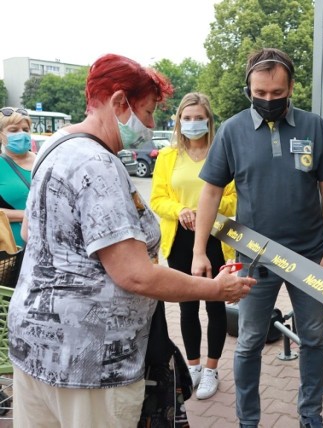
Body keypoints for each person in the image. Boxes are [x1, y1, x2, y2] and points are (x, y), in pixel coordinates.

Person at [7, 54, 256, 428]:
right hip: (89, 366)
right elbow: (136, 275)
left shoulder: (55, 148)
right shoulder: (98, 165)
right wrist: (216, 289)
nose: (152, 124)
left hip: (35, 349)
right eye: (149, 111)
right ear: (120, 102)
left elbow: (30, 232)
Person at [192, 47, 323, 428]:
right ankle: (248, 421)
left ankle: (311, 416)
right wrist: (199, 250)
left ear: (291, 86)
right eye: (259, 93)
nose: (268, 100)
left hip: (309, 255)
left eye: (277, 93)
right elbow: (210, 192)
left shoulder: (313, 126)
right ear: (249, 88)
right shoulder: (232, 130)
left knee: (312, 338)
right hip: (254, 257)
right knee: (248, 343)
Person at [151, 92, 237, 400]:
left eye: (198, 117)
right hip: (180, 239)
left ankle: (212, 369)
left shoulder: (223, 152)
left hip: (215, 237)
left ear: (209, 120)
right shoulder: (167, 156)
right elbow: (158, 199)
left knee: (216, 304)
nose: (192, 123)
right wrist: (180, 210)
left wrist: (207, 210)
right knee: (187, 305)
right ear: (178, 122)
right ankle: (195, 365)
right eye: (186, 118)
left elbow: (232, 197)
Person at [0, 107, 35, 248]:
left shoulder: (45, 160)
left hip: (48, 249)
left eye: (25, 130)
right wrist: (30, 215)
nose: (22, 134)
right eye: (14, 130)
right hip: (13, 251)